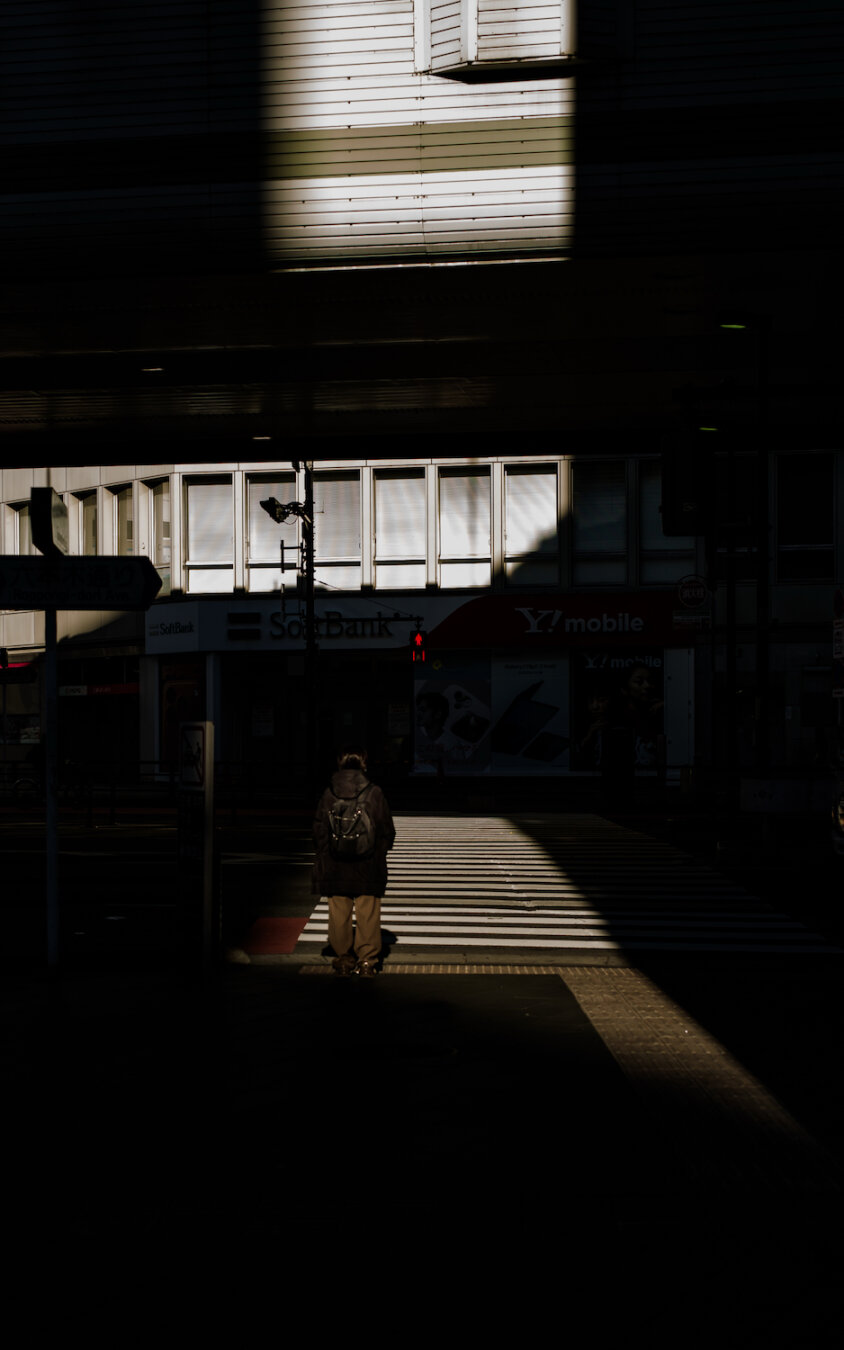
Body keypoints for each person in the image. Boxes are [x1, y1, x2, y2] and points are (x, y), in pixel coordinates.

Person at [312, 746, 396, 978]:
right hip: (367, 864)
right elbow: (386, 830)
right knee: (368, 912)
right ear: (364, 764)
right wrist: (377, 853)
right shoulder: (374, 792)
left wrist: (326, 855)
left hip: (335, 864)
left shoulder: (329, 793)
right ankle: (367, 961)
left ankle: (343, 959)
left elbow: (319, 830)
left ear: (340, 764)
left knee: (339, 912)